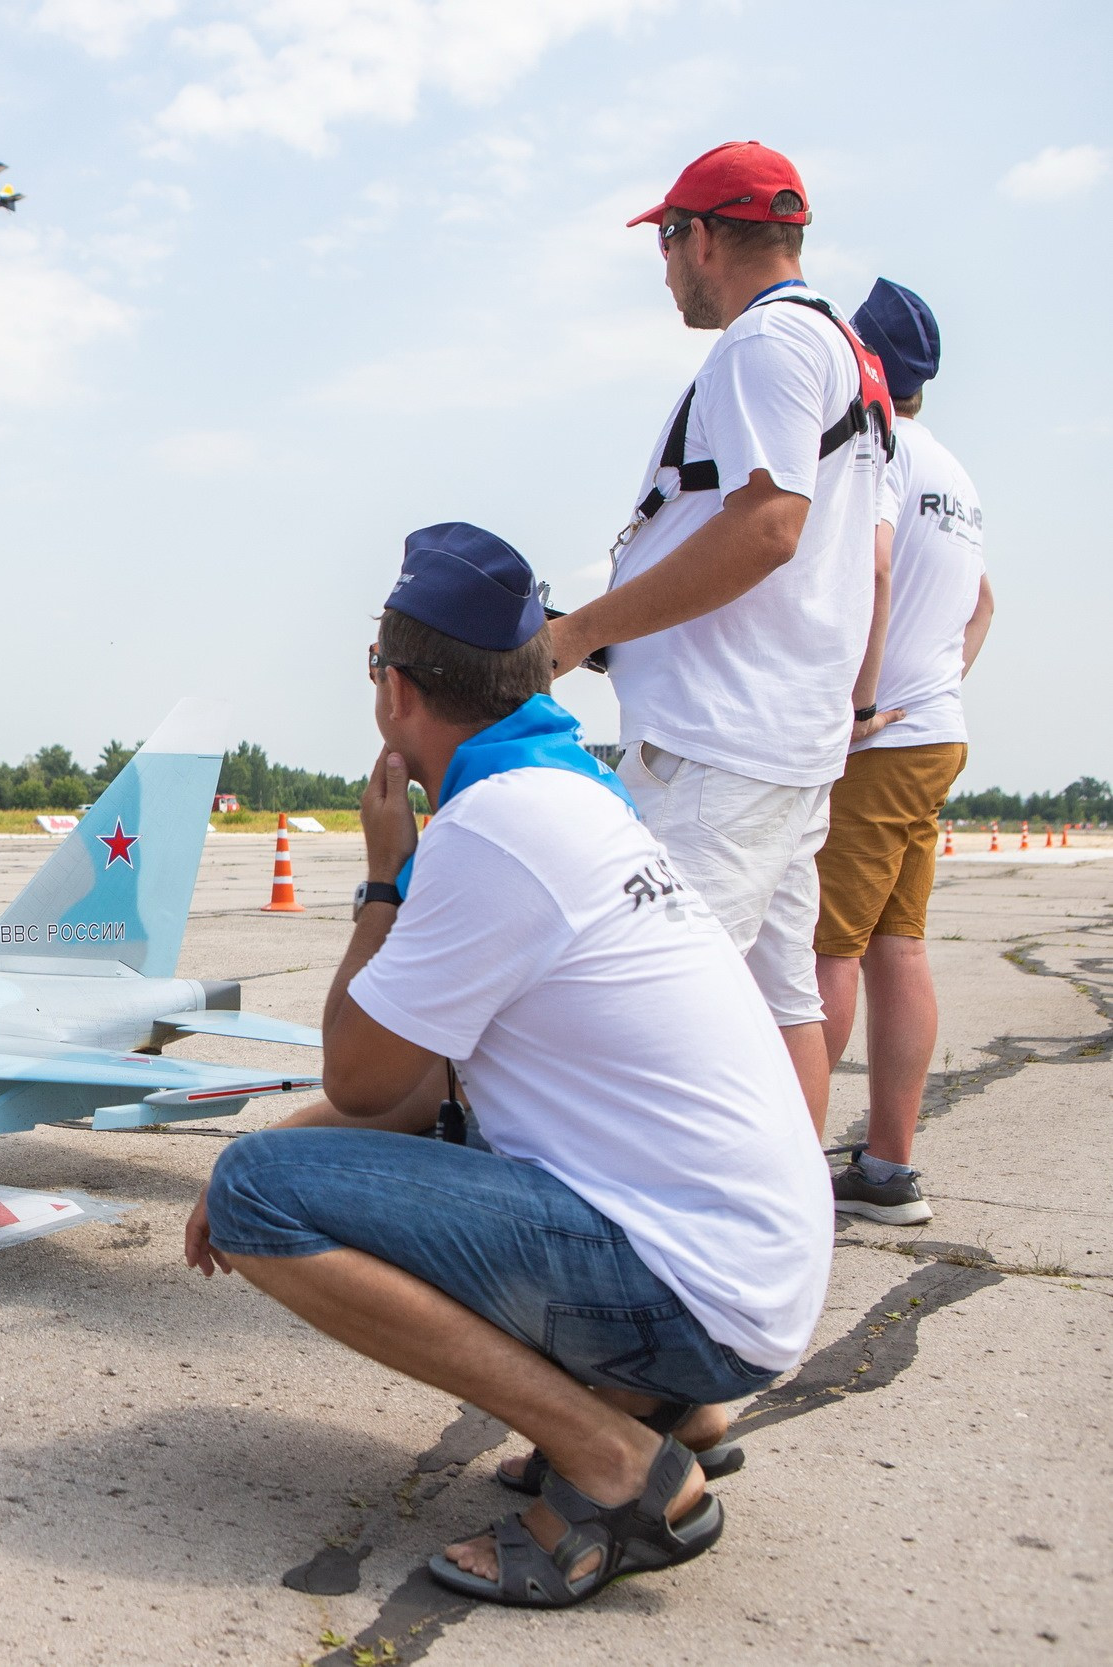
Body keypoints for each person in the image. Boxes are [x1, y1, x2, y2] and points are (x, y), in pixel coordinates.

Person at [186, 523, 831, 1609]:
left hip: (696, 1289)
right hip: (748, 1276)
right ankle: (669, 1405)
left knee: (259, 1196)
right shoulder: (574, 793)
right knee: (332, 1152)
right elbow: (431, 1089)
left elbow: (360, 1077)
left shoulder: (493, 825)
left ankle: (616, 1462)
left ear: (395, 691)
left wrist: (382, 881)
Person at [544, 142, 890, 1138]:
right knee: (783, 1006)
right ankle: (788, 1243)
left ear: (699, 236)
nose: (662, 270)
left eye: (663, 242)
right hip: (784, 736)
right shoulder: (844, 351)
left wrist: (580, 633)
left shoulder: (762, 345)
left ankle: (646, 1255)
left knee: (643, 1008)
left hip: (721, 744)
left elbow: (769, 524)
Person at [814, 280, 993, 1225]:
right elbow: (985, 604)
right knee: (899, 946)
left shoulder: (878, 445)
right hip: (940, 734)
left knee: (826, 952)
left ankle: (792, 1173)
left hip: (884, 743)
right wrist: (937, 682)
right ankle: (887, 1166)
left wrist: (865, 700)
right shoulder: (958, 474)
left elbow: (875, 566)